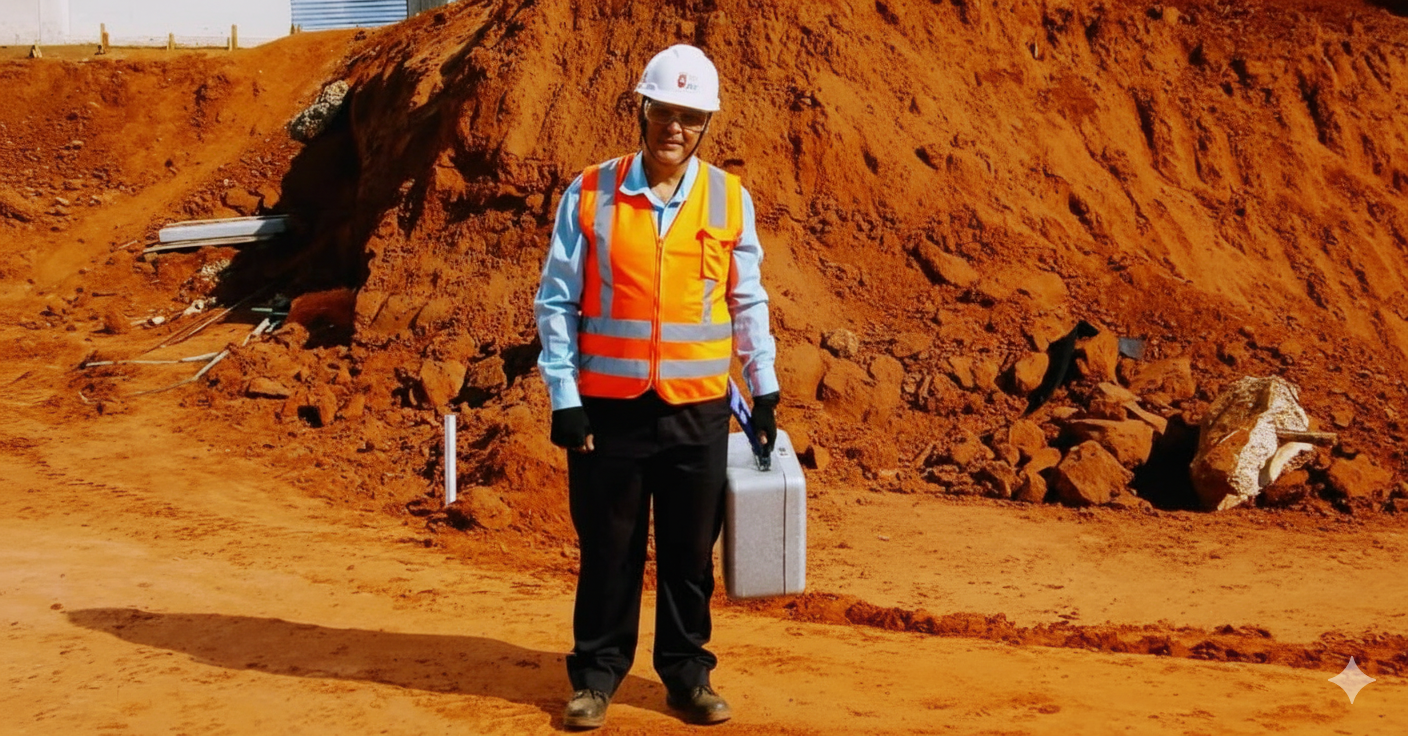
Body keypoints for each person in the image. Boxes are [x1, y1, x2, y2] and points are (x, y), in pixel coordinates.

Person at [533, 44, 779, 730]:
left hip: (698, 410)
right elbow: (556, 302)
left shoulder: (729, 198)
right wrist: (565, 399)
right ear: (641, 109)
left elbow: (747, 300)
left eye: (692, 118)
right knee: (608, 550)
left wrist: (763, 388)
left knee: (688, 552)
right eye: (665, 112)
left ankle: (686, 675)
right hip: (608, 412)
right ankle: (597, 676)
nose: (676, 128)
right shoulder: (590, 192)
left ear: (706, 125)